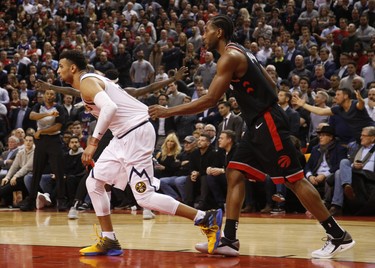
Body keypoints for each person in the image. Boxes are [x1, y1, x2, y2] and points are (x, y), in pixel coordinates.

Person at [149, 15, 355, 259]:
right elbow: (271, 82)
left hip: (267, 121)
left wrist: (167, 111)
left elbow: (210, 99)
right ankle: (229, 239)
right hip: (256, 122)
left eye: (207, 30)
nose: (203, 35)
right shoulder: (241, 52)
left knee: (293, 179)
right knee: (234, 171)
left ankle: (337, 235)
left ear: (219, 33)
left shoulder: (230, 57)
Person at [54, 50, 222, 256]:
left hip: (136, 133)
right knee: (94, 182)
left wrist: (93, 142)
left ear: (72, 68)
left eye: (61, 66)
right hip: (122, 136)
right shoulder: (88, 83)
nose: (58, 70)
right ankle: (109, 240)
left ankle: (206, 218)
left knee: (144, 197)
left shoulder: (87, 81)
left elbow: (109, 108)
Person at [20, 89, 67, 211]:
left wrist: (41, 131)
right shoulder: (38, 105)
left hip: (54, 140)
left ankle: (61, 201)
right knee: (36, 171)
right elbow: (32, 116)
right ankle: (31, 201)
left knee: (59, 171)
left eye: (52, 94)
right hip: (40, 141)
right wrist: (48, 114)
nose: (50, 95)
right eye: (47, 93)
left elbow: (58, 126)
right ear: (44, 96)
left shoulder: (60, 108)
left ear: (55, 96)